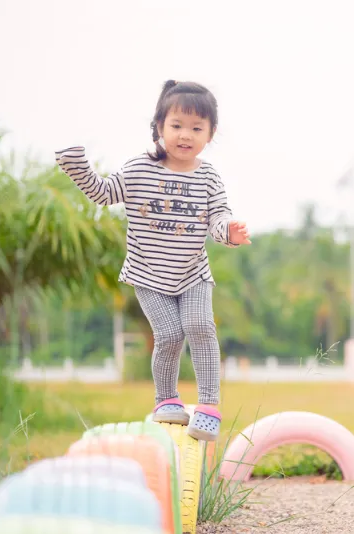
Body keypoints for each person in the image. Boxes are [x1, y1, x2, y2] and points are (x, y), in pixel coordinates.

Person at [54, 80, 250, 441]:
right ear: (159, 127)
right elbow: (102, 192)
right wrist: (76, 166)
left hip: (193, 273)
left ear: (211, 133)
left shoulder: (208, 177)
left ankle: (208, 406)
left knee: (201, 328)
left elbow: (218, 217)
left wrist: (230, 233)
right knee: (170, 335)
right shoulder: (139, 168)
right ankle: (166, 400)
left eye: (196, 128)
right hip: (148, 274)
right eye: (176, 126)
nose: (185, 135)